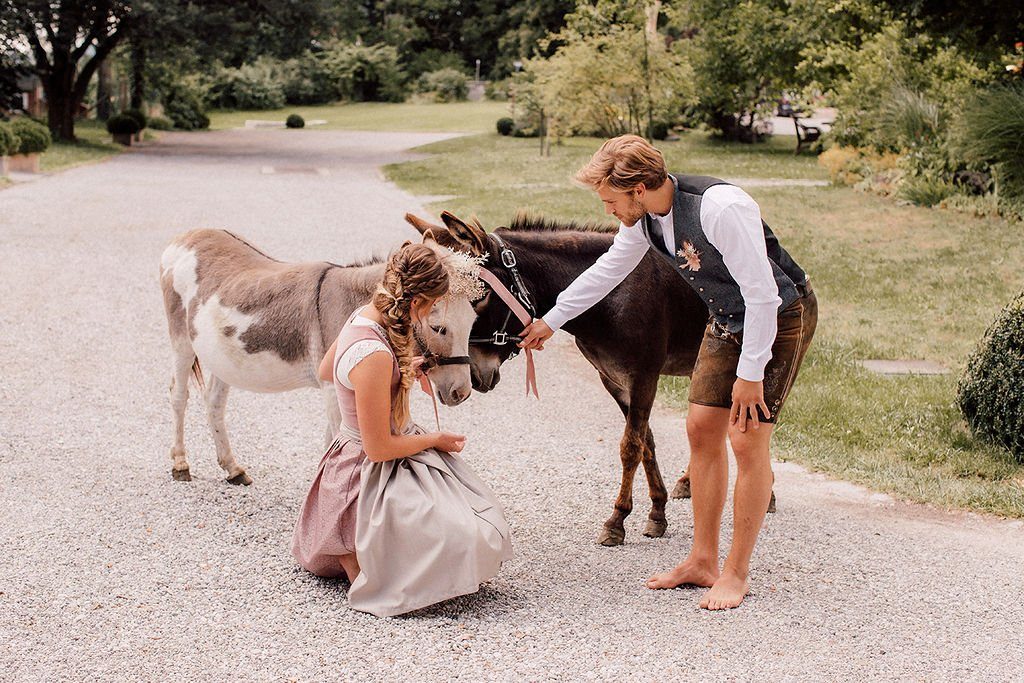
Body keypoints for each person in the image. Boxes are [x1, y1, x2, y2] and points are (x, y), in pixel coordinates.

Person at [520, 135, 816, 610]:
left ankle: (736, 573)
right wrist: (549, 322)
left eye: (610, 200)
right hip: (728, 317)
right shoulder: (645, 221)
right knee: (701, 429)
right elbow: (605, 271)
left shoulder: (720, 208)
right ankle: (702, 560)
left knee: (746, 438)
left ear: (637, 188)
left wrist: (751, 373)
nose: (608, 209)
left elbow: (763, 294)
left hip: (779, 316)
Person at [292, 242, 513, 617]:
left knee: (471, 523)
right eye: (432, 306)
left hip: (371, 446)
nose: (430, 313)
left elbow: (327, 369)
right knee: (464, 535)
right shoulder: (374, 354)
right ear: (416, 304)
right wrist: (436, 440)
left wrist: (402, 368)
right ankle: (356, 548)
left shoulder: (362, 316)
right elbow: (378, 449)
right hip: (367, 467)